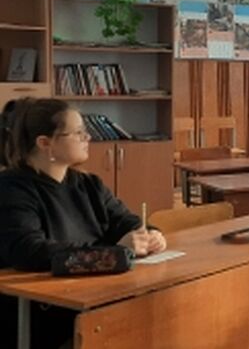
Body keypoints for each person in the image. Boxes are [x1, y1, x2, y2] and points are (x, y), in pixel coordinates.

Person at [0, 98, 167, 348]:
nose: (87, 138)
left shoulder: (89, 184)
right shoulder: (12, 188)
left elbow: (126, 221)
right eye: (78, 133)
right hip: (46, 313)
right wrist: (112, 255)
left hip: (98, 296)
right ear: (45, 143)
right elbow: (30, 251)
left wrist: (151, 235)